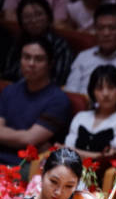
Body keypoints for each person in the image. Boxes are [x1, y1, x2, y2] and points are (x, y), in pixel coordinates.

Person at [0, 37, 70, 166]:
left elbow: (29, 139)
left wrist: (6, 134)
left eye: (38, 59)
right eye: (26, 57)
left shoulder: (58, 99)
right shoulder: (10, 90)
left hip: (26, 165)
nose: (31, 64)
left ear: (50, 64)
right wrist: (19, 137)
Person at [65, 3, 116, 101]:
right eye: (100, 28)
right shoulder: (83, 56)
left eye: (112, 28)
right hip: (78, 113)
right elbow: (70, 93)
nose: (106, 33)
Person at [63, 65, 116, 161]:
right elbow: (67, 149)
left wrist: (75, 152)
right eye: (99, 88)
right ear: (92, 92)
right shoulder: (81, 117)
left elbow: (112, 157)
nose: (105, 94)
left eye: (111, 87)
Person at [2, 0, 74, 85]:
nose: (34, 20)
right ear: (21, 21)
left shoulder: (60, 45)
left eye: (39, 14)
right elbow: (7, 73)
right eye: (27, 16)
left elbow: (59, 79)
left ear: (48, 17)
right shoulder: (17, 42)